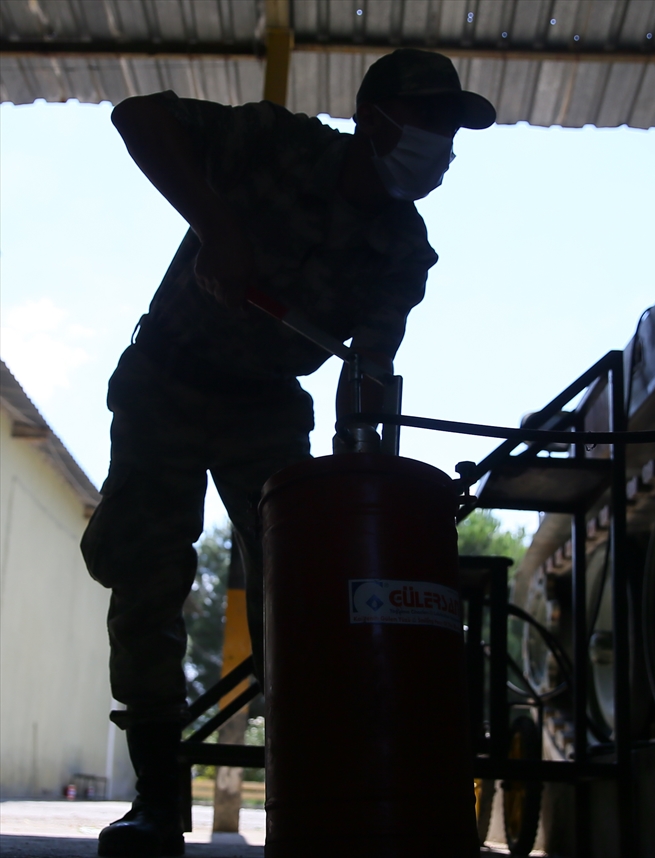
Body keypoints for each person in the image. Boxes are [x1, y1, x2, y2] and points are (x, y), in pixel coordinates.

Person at [80, 49, 495, 857]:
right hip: (166, 380)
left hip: (267, 410)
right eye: (430, 123)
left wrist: (365, 460)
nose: (442, 145)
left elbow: (368, 372)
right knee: (147, 580)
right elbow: (139, 117)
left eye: (452, 129)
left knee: (301, 596)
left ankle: (311, 796)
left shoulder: (404, 250)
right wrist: (218, 226)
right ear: (373, 119)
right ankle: (158, 803)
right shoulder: (278, 144)